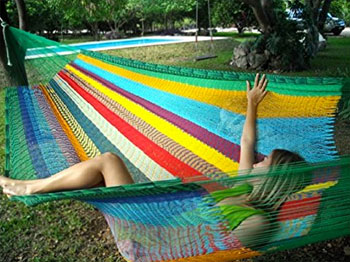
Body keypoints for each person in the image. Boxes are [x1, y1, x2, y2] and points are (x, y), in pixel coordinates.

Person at [0, 74, 307, 222]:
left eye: (265, 161)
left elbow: (232, 235)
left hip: (153, 223)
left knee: (108, 162)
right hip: (159, 206)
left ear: (273, 180)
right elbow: (247, 141)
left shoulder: (255, 217)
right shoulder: (243, 185)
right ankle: (28, 185)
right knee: (104, 165)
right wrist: (252, 104)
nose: (258, 159)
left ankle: (28, 189)